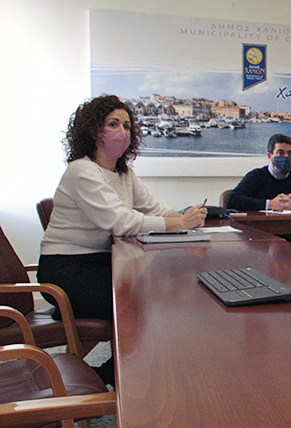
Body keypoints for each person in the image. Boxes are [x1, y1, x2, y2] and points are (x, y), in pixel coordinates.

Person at [38, 95, 207, 385]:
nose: (123, 131)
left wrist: (183, 217)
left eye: (127, 125)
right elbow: (120, 221)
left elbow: (152, 207)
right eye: (113, 124)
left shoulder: (123, 173)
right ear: (94, 131)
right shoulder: (82, 171)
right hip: (67, 270)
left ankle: (119, 373)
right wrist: (177, 223)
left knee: (150, 293)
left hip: (98, 263)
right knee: (140, 305)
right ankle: (107, 377)